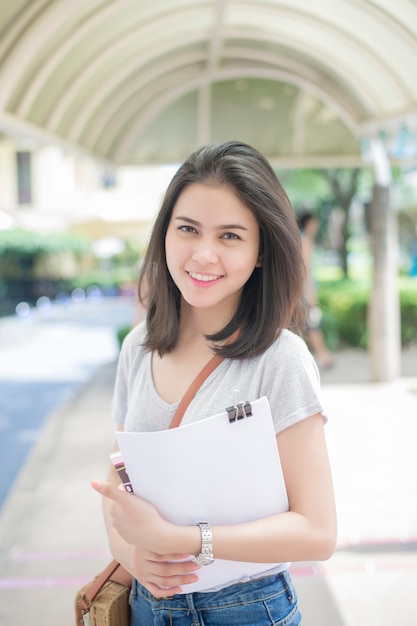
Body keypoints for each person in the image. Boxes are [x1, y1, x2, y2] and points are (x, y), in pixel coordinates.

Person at [92, 140, 337, 625]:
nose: (203, 254)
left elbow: (317, 531)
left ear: (261, 251)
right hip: (147, 605)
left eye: (230, 236)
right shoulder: (138, 348)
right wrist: (131, 553)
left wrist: (183, 541)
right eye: (188, 229)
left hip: (246, 608)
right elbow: (120, 483)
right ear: (165, 234)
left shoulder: (280, 359)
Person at [297, 210, 335, 369]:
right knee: (312, 323)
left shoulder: (297, 238)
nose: (317, 226)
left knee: (301, 325)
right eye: (315, 223)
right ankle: (323, 356)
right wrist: (310, 292)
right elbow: (306, 268)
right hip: (305, 291)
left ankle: (320, 356)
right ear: (309, 224)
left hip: (298, 290)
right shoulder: (305, 240)